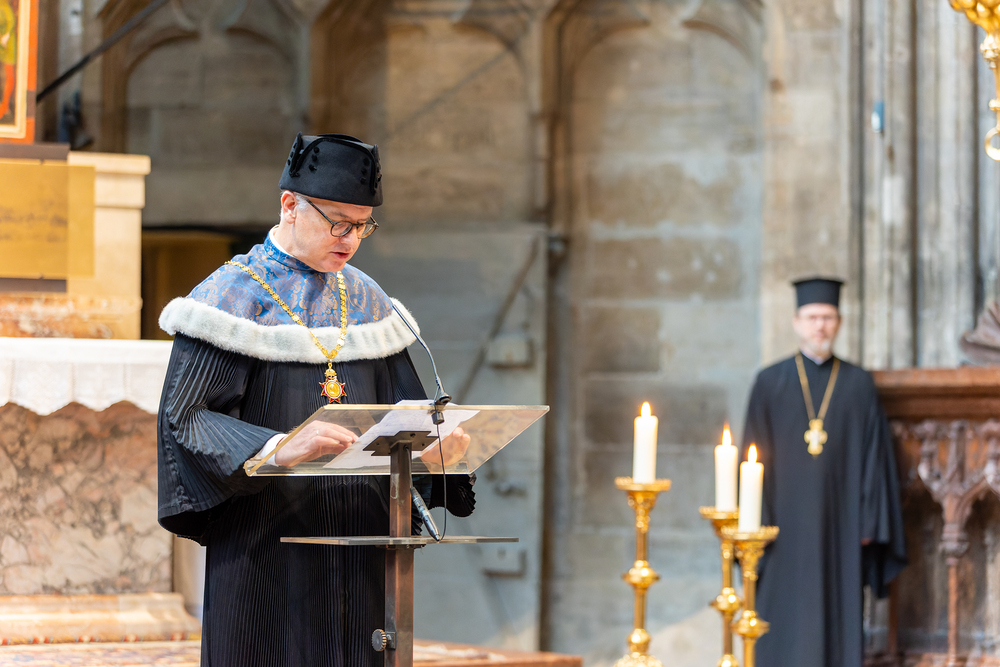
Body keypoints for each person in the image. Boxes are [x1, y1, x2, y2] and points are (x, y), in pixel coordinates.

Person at [156, 133, 475, 666]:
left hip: (360, 548)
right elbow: (185, 417)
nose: (351, 240)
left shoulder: (369, 300)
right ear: (290, 206)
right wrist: (277, 447)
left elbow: (404, 420)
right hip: (267, 546)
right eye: (338, 223)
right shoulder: (230, 296)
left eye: (363, 225)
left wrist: (432, 456)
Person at [740, 277, 907, 667]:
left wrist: (869, 524)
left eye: (828, 317)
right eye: (813, 317)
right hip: (780, 531)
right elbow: (751, 458)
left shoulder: (858, 385)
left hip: (841, 529)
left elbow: (875, 458)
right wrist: (755, 527)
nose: (820, 326)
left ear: (839, 322)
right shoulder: (769, 382)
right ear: (796, 322)